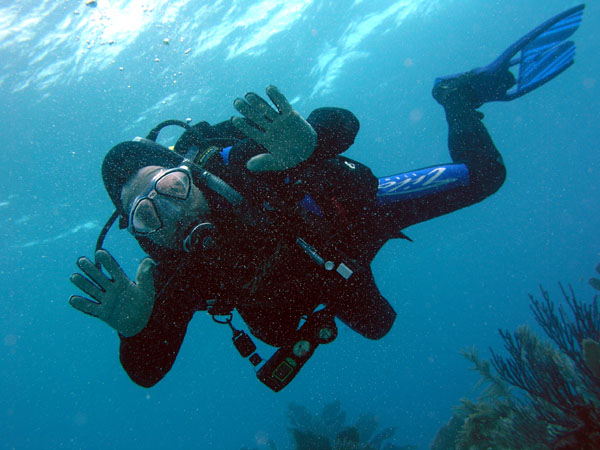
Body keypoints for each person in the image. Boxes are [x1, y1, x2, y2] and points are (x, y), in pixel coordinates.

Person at [69, 5, 584, 391]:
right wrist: (135, 329)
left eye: (172, 188)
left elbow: (343, 122)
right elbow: (147, 372)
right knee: (376, 327)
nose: (172, 212)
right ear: (140, 234)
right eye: (147, 215)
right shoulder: (178, 275)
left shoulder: (234, 167)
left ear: (190, 175)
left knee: (486, 178)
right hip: (327, 274)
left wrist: (309, 143)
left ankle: (458, 98)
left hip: (355, 216)